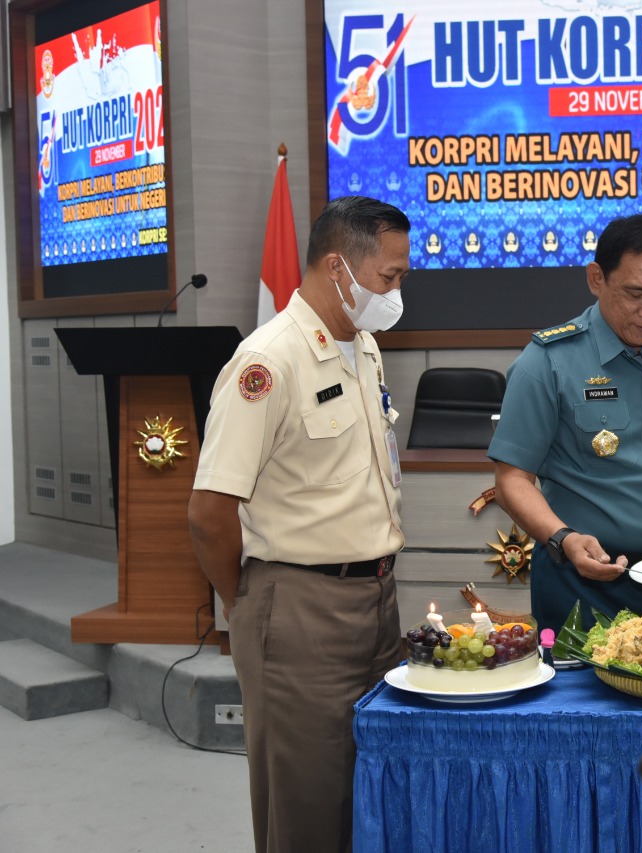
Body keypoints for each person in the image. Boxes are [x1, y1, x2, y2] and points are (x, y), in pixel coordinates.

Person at [188, 196, 411, 853]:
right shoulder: (269, 362)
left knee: (367, 788)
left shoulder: (361, 347)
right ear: (338, 267)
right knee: (305, 807)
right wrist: (249, 600)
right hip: (299, 607)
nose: (397, 292)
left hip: (376, 600)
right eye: (389, 277)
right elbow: (208, 512)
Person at [488, 213, 642, 631]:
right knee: (583, 697)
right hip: (582, 580)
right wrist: (563, 538)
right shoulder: (548, 362)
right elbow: (512, 480)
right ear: (596, 279)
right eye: (635, 293)